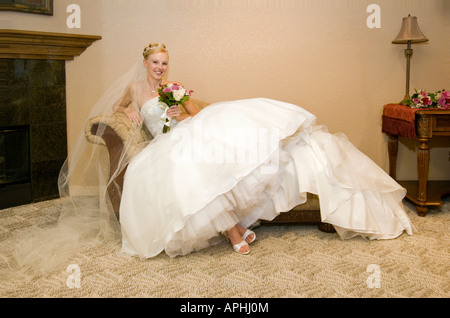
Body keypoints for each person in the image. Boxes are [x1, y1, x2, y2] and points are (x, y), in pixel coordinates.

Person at [110, 43, 414, 258]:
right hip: (166, 145)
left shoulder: (175, 86)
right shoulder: (135, 89)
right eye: (155, 63)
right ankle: (235, 230)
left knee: (208, 162)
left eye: (164, 62)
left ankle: (234, 230)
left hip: (187, 132)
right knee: (191, 168)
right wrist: (127, 112)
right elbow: (117, 106)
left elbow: (195, 114)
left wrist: (182, 115)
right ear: (146, 63)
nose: (160, 68)